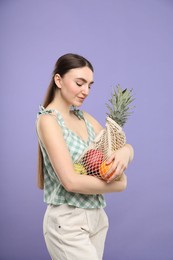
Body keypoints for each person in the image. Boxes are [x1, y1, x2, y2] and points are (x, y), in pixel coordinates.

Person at [36, 53, 134, 260]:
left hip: (97, 218)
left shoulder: (86, 119)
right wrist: (120, 184)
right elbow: (71, 182)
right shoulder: (49, 121)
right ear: (59, 80)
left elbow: (119, 146)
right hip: (68, 220)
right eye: (80, 83)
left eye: (90, 85)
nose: (86, 91)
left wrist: (127, 151)